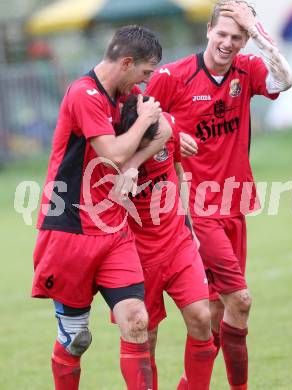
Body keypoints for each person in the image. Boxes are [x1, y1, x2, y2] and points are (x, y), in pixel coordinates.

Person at [145, 2, 292, 389]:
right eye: (222, 34)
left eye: (237, 36)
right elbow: (140, 119)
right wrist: (174, 133)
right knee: (239, 301)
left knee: (214, 311)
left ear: (245, 40)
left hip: (235, 204)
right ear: (208, 30)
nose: (228, 43)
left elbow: (285, 81)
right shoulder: (171, 76)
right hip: (196, 208)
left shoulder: (248, 69)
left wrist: (259, 32)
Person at [31, 25, 172, 390]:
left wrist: (136, 163)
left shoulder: (127, 97)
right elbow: (111, 153)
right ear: (126, 63)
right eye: (144, 72)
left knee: (137, 321)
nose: (146, 82)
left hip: (113, 231)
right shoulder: (84, 94)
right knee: (76, 341)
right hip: (70, 229)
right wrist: (140, 126)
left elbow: (165, 130)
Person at [114, 95, 216, 390]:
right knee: (146, 335)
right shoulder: (110, 149)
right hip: (134, 253)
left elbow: (181, 172)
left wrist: (189, 225)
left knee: (201, 317)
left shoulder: (167, 126)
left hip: (177, 242)